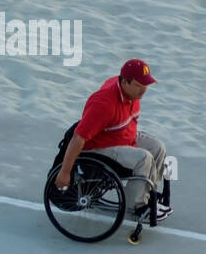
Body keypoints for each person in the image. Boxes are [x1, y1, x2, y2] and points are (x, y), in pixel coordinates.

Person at [54, 59, 170, 221]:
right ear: (124, 82)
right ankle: (135, 207)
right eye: (139, 85)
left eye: (146, 85)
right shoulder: (103, 104)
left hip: (123, 137)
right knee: (144, 159)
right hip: (100, 147)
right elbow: (78, 137)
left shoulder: (131, 93)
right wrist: (65, 172)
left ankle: (148, 195)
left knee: (158, 148)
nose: (143, 90)